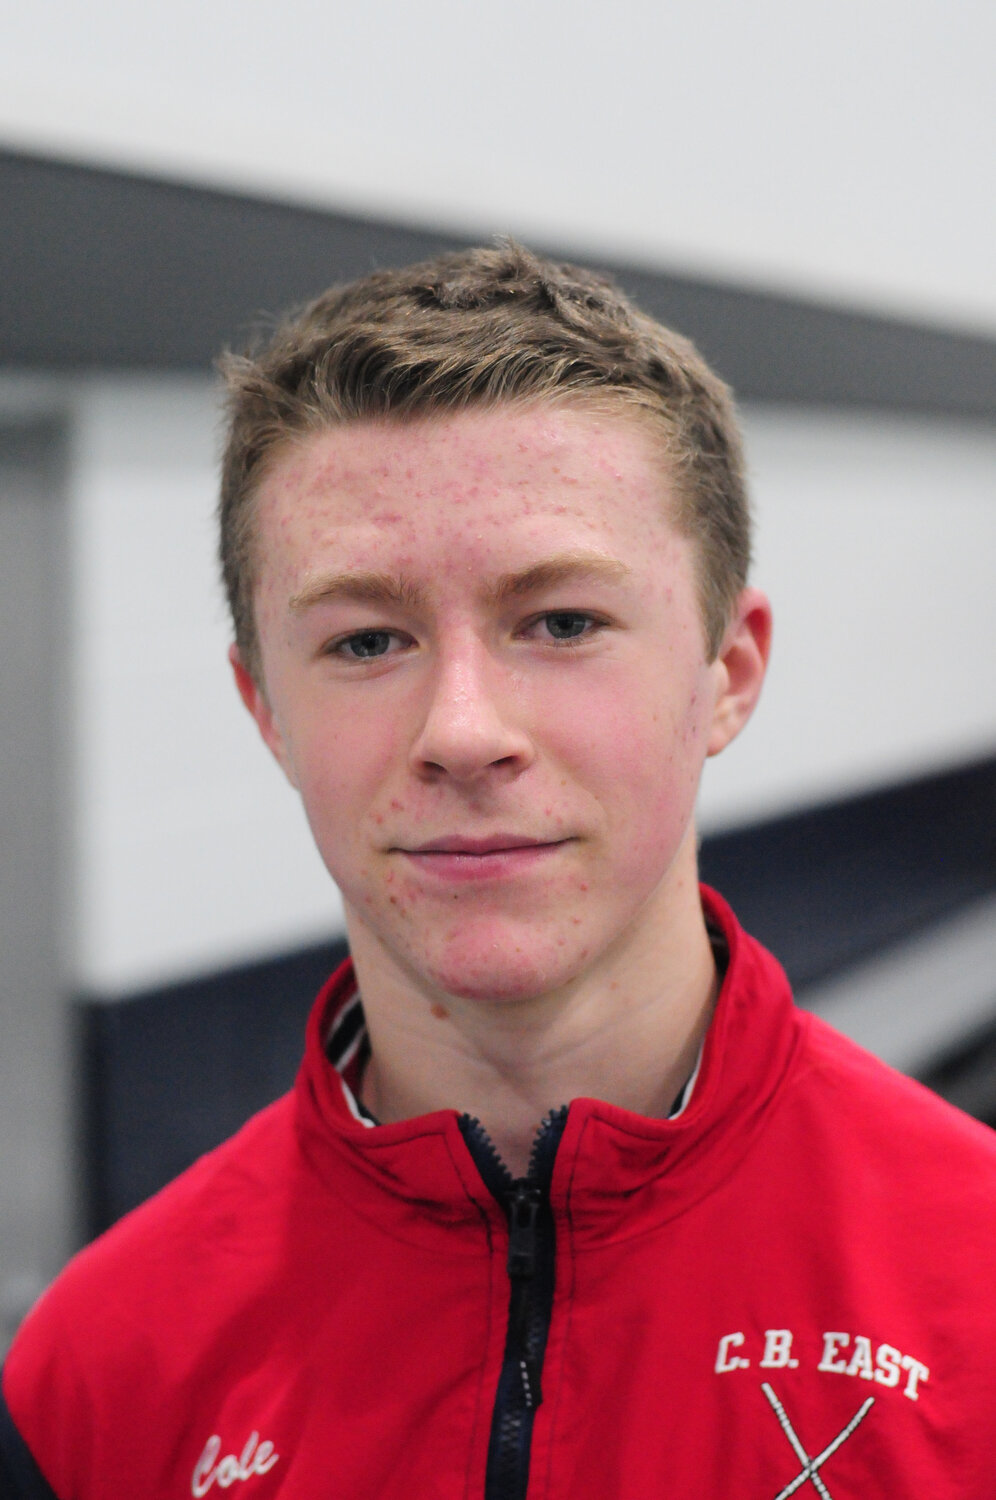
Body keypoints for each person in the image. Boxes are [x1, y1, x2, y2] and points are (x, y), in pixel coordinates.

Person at [2, 243, 994, 1499]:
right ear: (266, 709)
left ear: (727, 672)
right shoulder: (97, 1378)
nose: (462, 730)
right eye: (367, 639)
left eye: (562, 622)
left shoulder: (977, 1295)